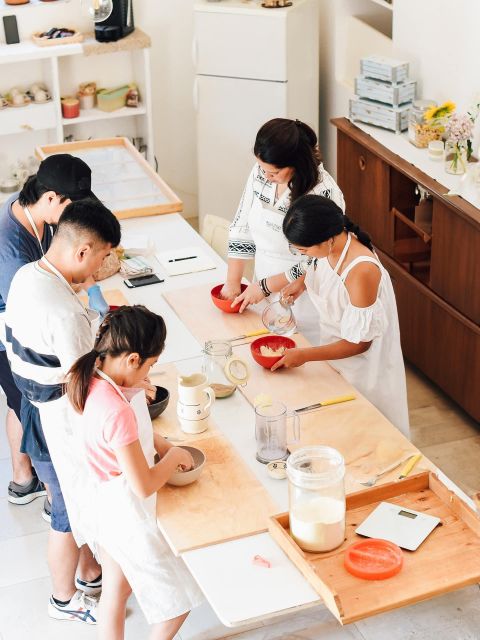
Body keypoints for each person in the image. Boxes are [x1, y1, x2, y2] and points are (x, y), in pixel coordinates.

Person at [4, 198, 121, 623]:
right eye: (103, 258)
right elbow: (84, 383)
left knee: (67, 504)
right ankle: (63, 599)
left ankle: (89, 576)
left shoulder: (26, 275)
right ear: (83, 251)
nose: (99, 270)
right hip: (55, 421)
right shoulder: (64, 311)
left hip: (30, 405)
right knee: (66, 512)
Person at [66, 305, 204, 640]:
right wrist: (175, 457)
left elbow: (127, 436)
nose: (149, 375)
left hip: (103, 504)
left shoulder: (89, 376)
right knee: (178, 601)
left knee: (116, 589)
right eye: (150, 365)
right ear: (131, 359)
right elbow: (143, 486)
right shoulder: (116, 410)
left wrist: (163, 445)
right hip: (127, 512)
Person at [233, 195, 410, 437]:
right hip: (334, 352)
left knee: (366, 432)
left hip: (361, 367)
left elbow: (359, 344)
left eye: (304, 249)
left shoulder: (361, 271)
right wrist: (302, 283)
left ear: (327, 241)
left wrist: (304, 355)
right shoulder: (331, 245)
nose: (302, 254)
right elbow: (316, 265)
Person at [0, 155, 108, 510]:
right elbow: (39, 306)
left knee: (23, 403)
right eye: (71, 207)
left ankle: (25, 479)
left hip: (23, 324)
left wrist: (91, 288)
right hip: (11, 333)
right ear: (51, 199)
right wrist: (87, 295)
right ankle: (51, 497)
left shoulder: (37, 212)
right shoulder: (10, 246)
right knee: (26, 402)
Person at [221, 117, 345, 342]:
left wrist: (268, 286)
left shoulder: (323, 192)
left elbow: (321, 258)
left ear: (298, 164)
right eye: (261, 168)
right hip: (261, 285)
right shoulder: (263, 170)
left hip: (304, 293)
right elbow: (242, 224)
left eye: (274, 173)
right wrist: (232, 283)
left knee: (304, 353)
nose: (266, 176)